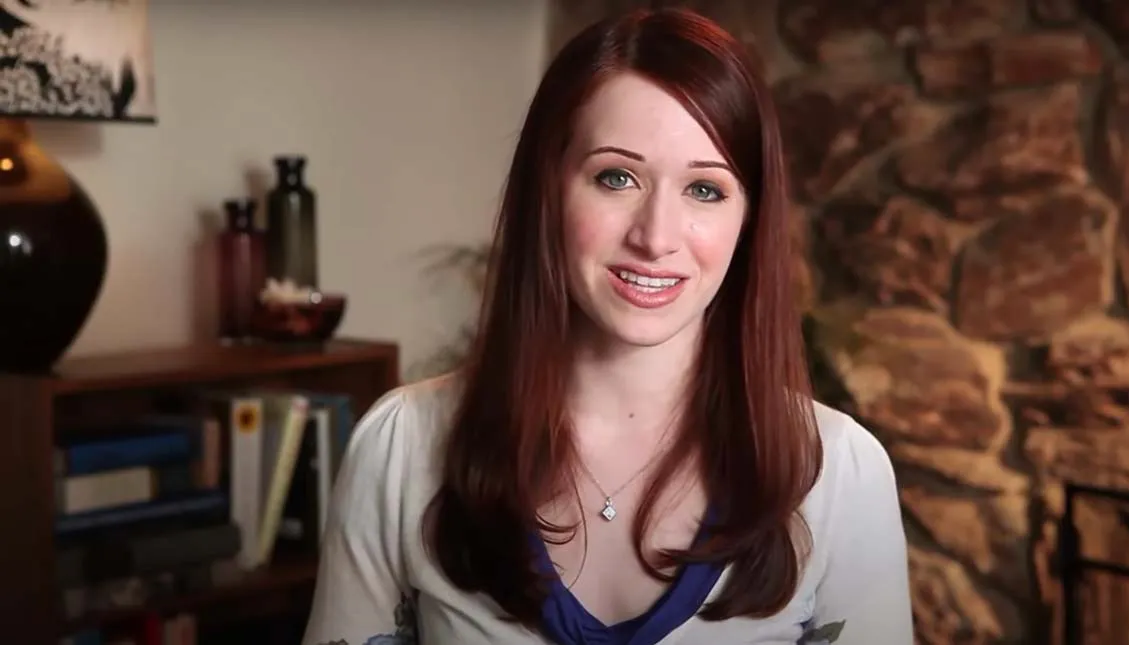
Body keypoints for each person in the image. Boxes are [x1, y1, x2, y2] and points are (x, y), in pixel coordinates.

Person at [301, 7, 911, 645]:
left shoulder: (838, 474)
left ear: (748, 218)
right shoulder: (401, 446)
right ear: (548, 190)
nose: (655, 237)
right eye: (616, 178)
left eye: (705, 190)